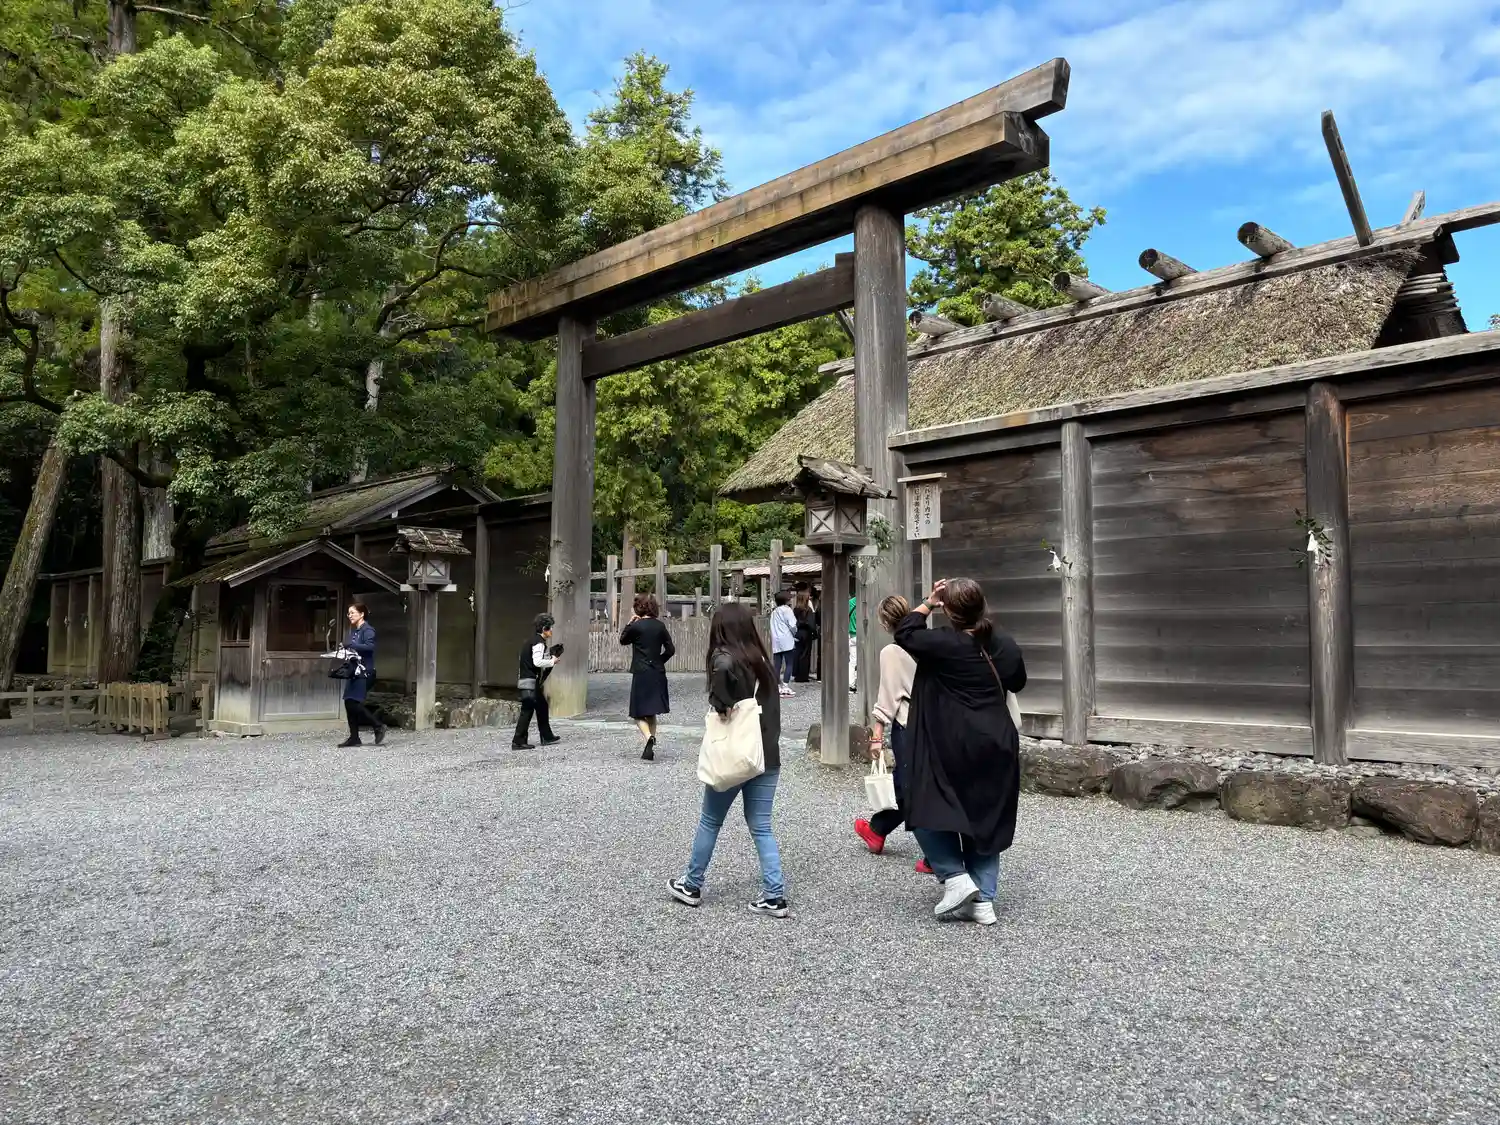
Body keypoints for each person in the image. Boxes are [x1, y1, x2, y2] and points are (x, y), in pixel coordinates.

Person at [895, 578, 1026, 926]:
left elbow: (905, 632)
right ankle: (983, 901)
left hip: (952, 742)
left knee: (923, 801)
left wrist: (929, 602)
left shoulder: (942, 643)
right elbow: (1017, 681)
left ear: (949, 611)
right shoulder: (1004, 644)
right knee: (987, 815)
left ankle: (955, 876)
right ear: (983, 606)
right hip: (997, 741)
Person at [668, 602, 788, 918]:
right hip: (766, 755)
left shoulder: (725, 657)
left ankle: (691, 884)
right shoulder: (763, 662)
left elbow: (721, 670)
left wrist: (720, 702)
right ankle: (774, 895)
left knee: (710, 820)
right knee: (762, 827)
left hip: (735, 754)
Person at [852, 595, 933, 875]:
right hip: (936, 723)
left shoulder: (892, 651)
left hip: (909, 723)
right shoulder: (929, 643)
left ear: (886, 622)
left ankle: (936, 855)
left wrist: (877, 734)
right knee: (922, 783)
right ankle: (878, 829)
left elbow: (889, 695)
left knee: (910, 786)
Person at [621, 593, 675, 761]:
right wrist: (659, 661)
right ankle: (649, 746)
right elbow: (670, 650)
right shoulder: (660, 626)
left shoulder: (637, 627)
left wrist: (630, 623)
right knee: (651, 712)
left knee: (637, 713)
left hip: (641, 672)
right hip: (657, 672)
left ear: (639, 607)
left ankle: (649, 737)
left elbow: (623, 640)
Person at [513, 613, 563, 750]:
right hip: (530, 681)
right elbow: (537, 662)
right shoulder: (538, 643)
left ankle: (546, 736)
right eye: (550, 628)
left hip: (528, 680)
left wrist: (551, 656)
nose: (551, 630)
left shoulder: (533, 641)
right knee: (527, 710)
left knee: (542, 706)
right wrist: (552, 661)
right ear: (544, 629)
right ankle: (518, 741)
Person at [338, 602, 385, 747]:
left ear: (362, 614)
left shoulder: (368, 630)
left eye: (352, 612)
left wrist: (351, 646)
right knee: (348, 702)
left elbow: (370, 647)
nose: (350, 615)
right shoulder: (355, 631)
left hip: (365, 672)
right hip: (354, 671)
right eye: (349, 613)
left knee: (354, 703)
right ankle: (354, 738)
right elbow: (355, 650)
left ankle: (377, 725)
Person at [768, 590, 798, 698]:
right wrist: (795, 634)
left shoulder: (774, 612)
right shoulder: (787, 610)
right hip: (787, 639)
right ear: (786, 600)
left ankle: (777, 686)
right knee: (789, 663)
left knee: (777, 664)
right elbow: (793, 625)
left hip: (776, 640)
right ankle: (785, 686)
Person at [792, 587, 817, 683]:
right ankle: (803, 676)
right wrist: (814, 632)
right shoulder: (808, 610)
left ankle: (797, 674)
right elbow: (811, 624)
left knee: (797, 653)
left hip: (798, 633)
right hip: (806, 633)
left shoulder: (795, 609)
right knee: (805, 655)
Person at [848, 593, 858, 692]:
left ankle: (851, 684)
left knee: (853, 661)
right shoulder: (866, 602)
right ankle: (858, 681)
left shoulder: (850, 602)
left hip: (852, 635)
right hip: (863, 636)